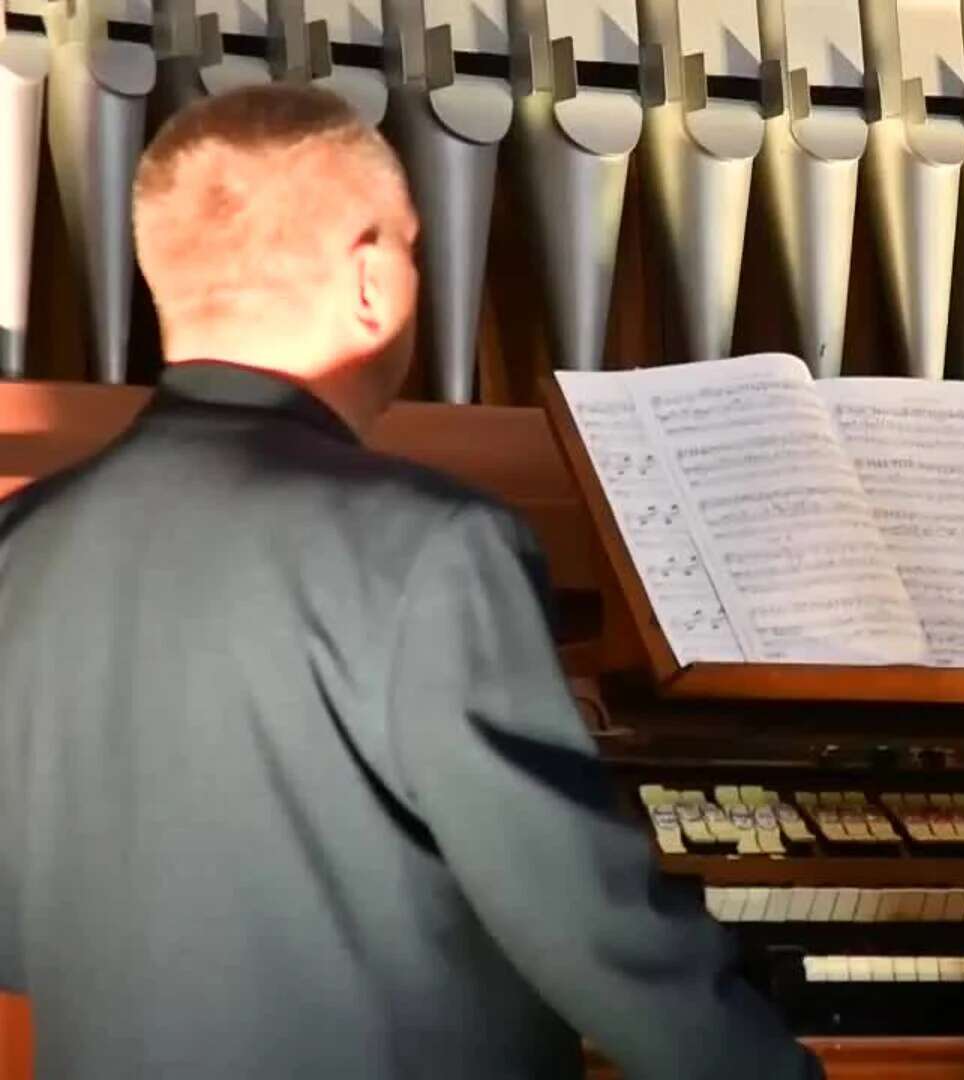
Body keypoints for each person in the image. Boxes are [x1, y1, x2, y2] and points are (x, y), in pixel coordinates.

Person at [0, 85, 818, 1079]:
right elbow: (586, 924)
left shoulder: (25, 541)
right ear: (369, 278)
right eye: (416, 247)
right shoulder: (434, 547)